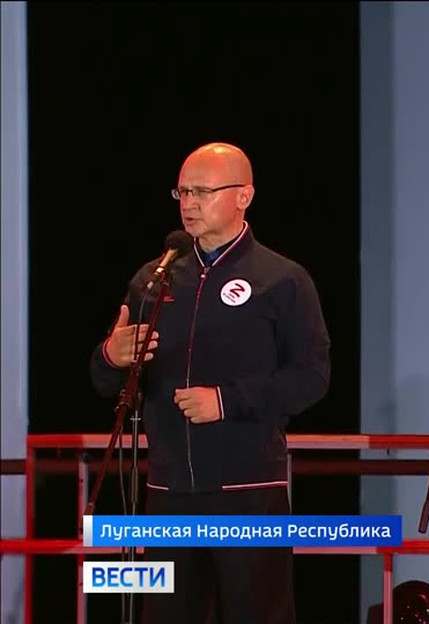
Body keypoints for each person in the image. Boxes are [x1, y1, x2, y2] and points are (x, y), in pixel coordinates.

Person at [90, 142, 331, 624]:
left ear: (244, 196)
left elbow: (312, 377)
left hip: (249, 492)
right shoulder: (154, 280)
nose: (189, 203)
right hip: (167, 493)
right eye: (182, 192)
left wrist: (226, 401)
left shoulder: (282, 280)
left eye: (202, 191)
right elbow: (105, 383)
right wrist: (110, 357)